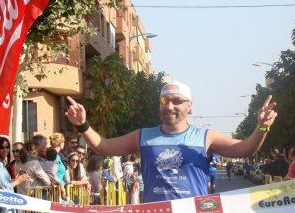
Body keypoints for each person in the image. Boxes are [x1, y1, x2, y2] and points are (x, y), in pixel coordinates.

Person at [65, 80, 277, 203]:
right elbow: (104, 146)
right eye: (165, 100)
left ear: (190, 106)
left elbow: (245, 149)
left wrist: (262, 127)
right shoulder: (143, 136)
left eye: (177, 101)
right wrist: (83, 125)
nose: (170, 106)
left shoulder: (205, 136)